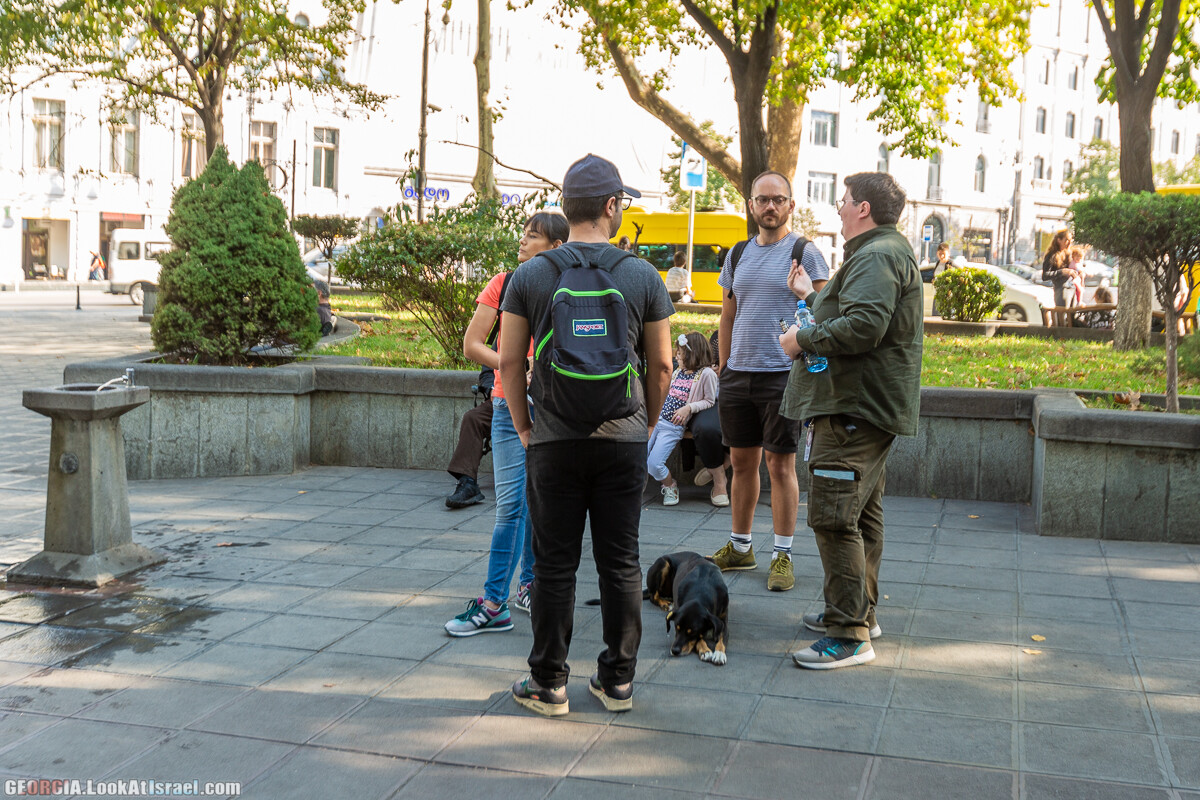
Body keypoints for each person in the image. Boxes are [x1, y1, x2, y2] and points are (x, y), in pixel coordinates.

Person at [499, 154, 673, 716]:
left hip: (552, 440)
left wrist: (526, 429)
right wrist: (644, 426)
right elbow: (664, 367)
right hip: (621, 441)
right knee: (621, 562)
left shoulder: (531, 275)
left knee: (553, 564)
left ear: (566, 208)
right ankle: (617, 681)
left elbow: (508, 362)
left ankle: (549, 684)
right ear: (610, 207)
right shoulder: (641, 276)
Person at [778, 172, 923, 669]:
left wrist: (802, 340)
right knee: (861, 513)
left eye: (843, 201)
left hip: (854, 407)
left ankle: (849, 634)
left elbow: (864, 325)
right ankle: (860, 611)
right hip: (865, 406)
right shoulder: (881, 251)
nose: (838, 209)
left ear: (862, 208)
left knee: (834, 514)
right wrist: (809, 297)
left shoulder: (879, 254)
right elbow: (851, 309)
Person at [443, 212, 569, 637]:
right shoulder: (503, 282)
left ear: (555, 245)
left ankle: (529, 586)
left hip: (556, 408)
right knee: (511, 507)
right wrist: (514, 365)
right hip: (506, 404)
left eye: (532, 237)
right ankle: (495, 600)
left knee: (541, 505)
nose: (522, 242)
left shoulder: (572, 286)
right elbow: (472, 345)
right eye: (523, 235)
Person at [709, 170, 830, 593]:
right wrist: (724, 368)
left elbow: (825, 314)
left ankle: (782, 554)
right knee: (742, 465)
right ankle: (740, 547)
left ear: (791, 205)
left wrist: (801, 295)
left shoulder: (805, 252)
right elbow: (728, 315)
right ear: (751, 205)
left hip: (783, 374)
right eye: (763, 199)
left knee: (780, 465)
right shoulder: (737, 253)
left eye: (778, 199)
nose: (770, 207)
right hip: (739, 375)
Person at [647, 331, 718, 506]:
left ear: (693, 354)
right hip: (657, 421)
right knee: (639, 457)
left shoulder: (706, 374)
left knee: (654, 464)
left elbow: (710, 400)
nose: (677, 357)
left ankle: (670, 486)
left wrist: (689, 408)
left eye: (681, 354)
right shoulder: (679, 371)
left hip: (672, 426)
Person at [689, 330, 730, 506]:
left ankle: (716, 468)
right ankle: (720, 479)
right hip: (712, 400)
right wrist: (711, 372)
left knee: (751, 428)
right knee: (706, 428)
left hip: (744, 394)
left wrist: (729, 374)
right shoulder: (719, 336)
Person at [445, 402, 492, 509]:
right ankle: (468, 482)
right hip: (502, 400)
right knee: (472, 418)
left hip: (534, 402)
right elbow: (486, 383)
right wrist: (491, 390)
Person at [1041, 229, 1079, 326]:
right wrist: (1062, 271)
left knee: (1073, 317)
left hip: (1072, 287)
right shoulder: (1052, 255)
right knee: (1062, 317)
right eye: (1066, 240)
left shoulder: (1068, 253)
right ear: (1059, 240)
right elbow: (1045, 275)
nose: (1069, 242)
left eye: (1070, 240)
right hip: (1061, 289)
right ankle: (1061, 336)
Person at [929, 242, 952, 317]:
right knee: (935, 316)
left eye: (943, 254)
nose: (941, 256)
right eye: (940, 254)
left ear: (948, 253)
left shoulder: (951, 264)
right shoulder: (937, 263)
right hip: (937, 294)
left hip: (947, 296)